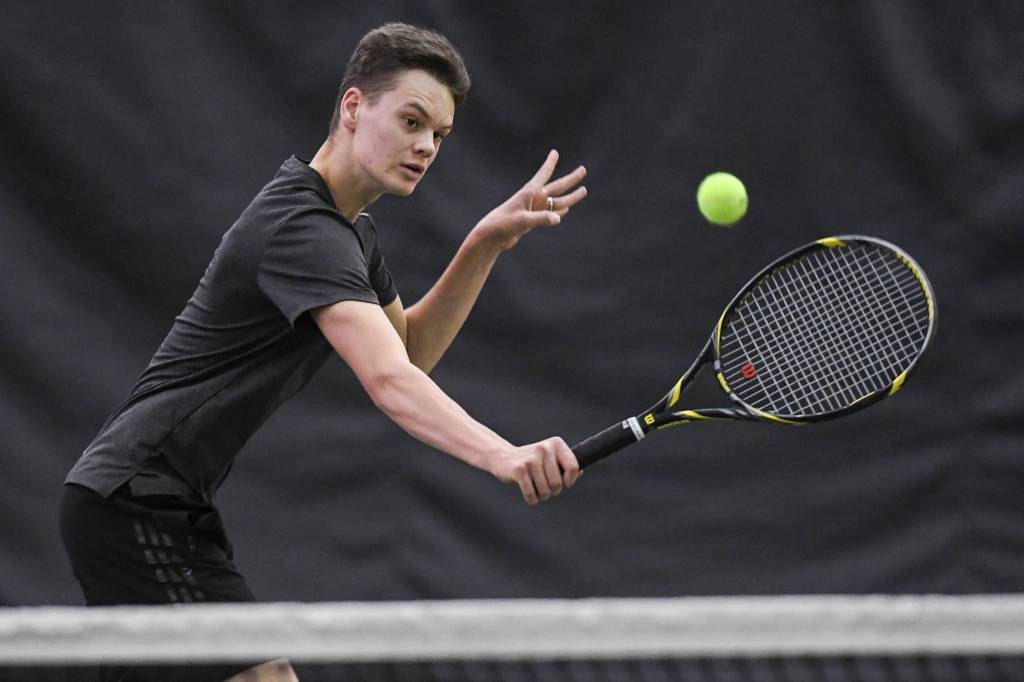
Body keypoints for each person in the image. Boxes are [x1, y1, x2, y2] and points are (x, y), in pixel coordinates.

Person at [58, 22, 586, 682]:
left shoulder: (348, 237)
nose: (424, 146)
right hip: (133, 499)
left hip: (150, 499)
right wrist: (503, 454)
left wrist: (482, 245)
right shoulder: (302, 228)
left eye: (439, 136)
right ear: (354, 106)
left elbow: (412, 349)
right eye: (412, 120)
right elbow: (390, 380)